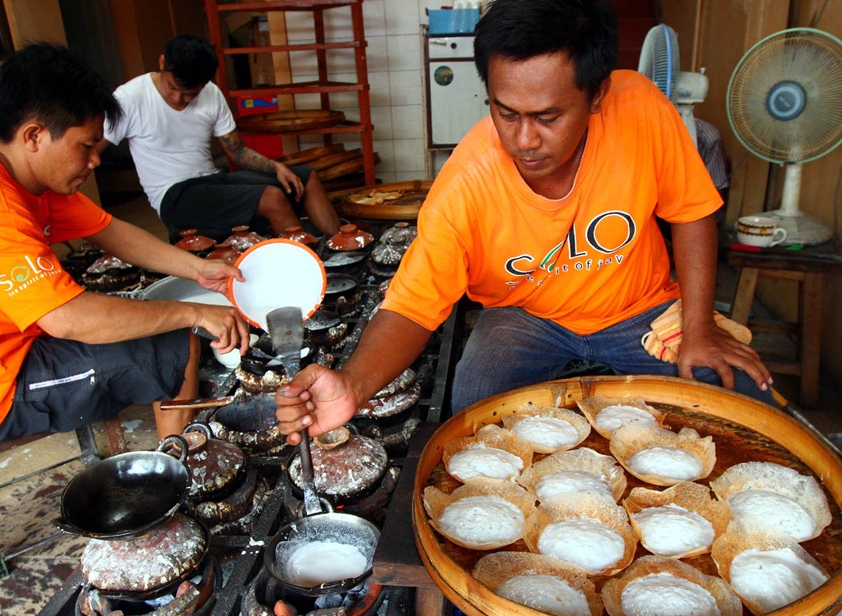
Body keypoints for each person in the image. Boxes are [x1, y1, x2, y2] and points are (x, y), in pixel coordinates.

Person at [274, 0, 773, 443]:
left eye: (548, 117)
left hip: (638, 310)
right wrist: (354, 384)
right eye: (505, 112)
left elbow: (693, 212)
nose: (524, 140)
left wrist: (699, 326)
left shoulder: (638, 107)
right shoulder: (465, 184)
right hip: (522, 316)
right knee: (475, 414)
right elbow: (412, 306)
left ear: (597, 96)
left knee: (747, 399)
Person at [0, 42, 251, 449]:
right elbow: (68, 320)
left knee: (143, 317)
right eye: (85, 146)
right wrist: (194, 312)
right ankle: (177, 466)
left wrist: (197, 269)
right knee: (174, 344)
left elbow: (108, 229)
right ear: (34, 135)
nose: (95, 159)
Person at [101, 34, 341, 244]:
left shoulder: (211, 93)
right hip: (173, 196)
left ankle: (344, 248)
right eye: (173, 87)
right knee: (271, 197)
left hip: (211, 181)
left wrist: (277, 167)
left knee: (305, 178)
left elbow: (237, 151)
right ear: (162, 62)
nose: (178, 98)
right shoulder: (130, 96)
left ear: (204, 84)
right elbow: (93, 145)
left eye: (190, 94)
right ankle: (308, 272)